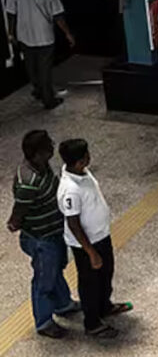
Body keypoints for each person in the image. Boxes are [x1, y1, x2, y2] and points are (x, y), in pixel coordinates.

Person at [7, 130, 80, 340]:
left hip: (53, 232)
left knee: (56, 269)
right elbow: (18, 212)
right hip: (41, 238)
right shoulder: (28, 182)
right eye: (49, 145)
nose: (52, 147)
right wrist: (14, 224)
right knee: (44, 279)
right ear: (38, 153)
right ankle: (44, 322)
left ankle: (63, 304)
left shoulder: (42, 166)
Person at [57, 139, 131, 339]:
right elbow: (73, 223)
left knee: (106, 274)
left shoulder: (82, 173)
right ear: (80, 161)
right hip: (87, 245)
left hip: (101, 236)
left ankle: (104, 306)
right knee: (90, 283)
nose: (90, 156)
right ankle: (92, 323)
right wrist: (91, 253)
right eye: (87, 154)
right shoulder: (70, 189)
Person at [4, 0, 75, 110]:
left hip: (24, 35)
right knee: (44, 68)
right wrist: (68, 34)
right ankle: (48, 100)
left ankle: (37, 90)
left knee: (30, 66)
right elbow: (58, 16)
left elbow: (11, 14)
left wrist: (11, 33)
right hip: (44, 35)